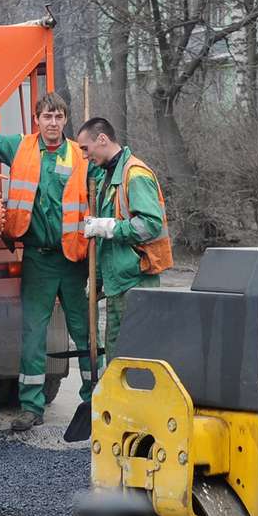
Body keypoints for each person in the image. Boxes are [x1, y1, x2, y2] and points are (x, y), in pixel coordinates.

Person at [0, 79, 96, 431]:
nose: (53, 122)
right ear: (36, 120)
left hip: (73, 259)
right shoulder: (20, 148)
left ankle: (93, 402)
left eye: (58, 116)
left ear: (65, 120)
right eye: (47, 116)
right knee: (33, 333)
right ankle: (31, 407)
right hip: (37, 259)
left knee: (84, 334)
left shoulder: (81, 155)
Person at [74, 117, 173, 361]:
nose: (85, 156)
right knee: (118, 359)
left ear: (102, 139)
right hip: (119, 283)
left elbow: (150, 225)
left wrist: (110, 227)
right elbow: (103, 244)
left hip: (137, 282)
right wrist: (96, 282)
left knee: (136, 358)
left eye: (86, 149)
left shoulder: (135, 174)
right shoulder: (108, 177)